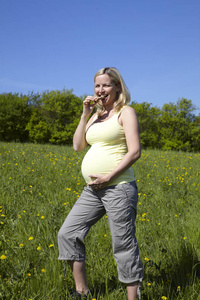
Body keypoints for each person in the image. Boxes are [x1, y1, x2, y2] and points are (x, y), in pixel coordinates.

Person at [58, 67, 143, 300]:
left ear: (117, 87)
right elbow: (77, 146)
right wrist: (85, 114)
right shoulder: (95, 116)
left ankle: (132, 298)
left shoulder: (126, 112)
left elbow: (135, 152)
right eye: (97, 85)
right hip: (93, 190)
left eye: (106, 85)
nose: (101, 90)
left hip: (119, 187)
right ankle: (82, 291)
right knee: (68, 233)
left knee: (123, 244)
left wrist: (109, 177)